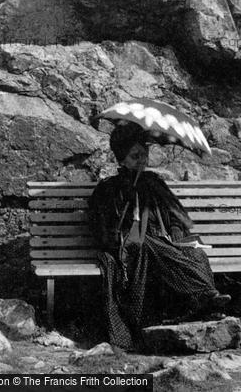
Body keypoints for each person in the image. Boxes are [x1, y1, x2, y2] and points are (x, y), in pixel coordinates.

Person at [87, 122, 231, 351]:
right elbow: (101, 228)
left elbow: (177, 216)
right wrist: (122, 215)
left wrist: (175, 230)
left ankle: (202, 303)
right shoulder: (108, 189)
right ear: (121, 159)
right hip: (128, 249)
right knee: (148, 246)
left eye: (144, 155)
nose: (142, 161)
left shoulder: (153, 183)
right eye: (135, 156)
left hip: (160, 243)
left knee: (195, 252)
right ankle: (202, 294)